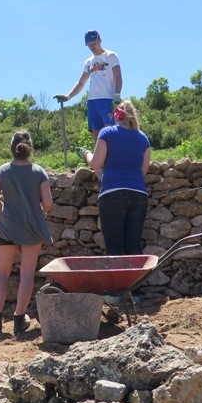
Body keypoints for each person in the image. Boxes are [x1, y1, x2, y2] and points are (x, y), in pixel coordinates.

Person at [0, 131, 53, 335]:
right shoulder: (39, 171)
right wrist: (41, 213)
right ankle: (19, 320)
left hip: (8, 227)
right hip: (33, 227)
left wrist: (4, 207)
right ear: (30, 148)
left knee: (2, 273)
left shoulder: (2, 171)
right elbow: (48, 203)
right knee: (27, 273)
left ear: (11, 148)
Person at [78, 99, 151, 256]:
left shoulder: (107, 133)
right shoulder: (143, 138)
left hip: (113, 194)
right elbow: (143, 171)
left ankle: (119, 281)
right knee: (134, 247)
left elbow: (96, 164)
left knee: (114, 249)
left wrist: (86, 154)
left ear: (117, 115)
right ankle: (136, 280)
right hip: (138, 195)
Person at [55, 30, 123, 137]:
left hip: (108, 99)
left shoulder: (111, 56)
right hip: (92, 101)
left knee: (110, 132)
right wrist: (68, 96)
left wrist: (117, 96)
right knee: (96, 133)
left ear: (100, 40)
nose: (92, 46)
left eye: (94, 43)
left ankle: (113, 154)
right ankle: (98, 153)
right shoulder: (88, 62)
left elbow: (118, 77)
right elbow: (81, 82)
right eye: (89, 44)